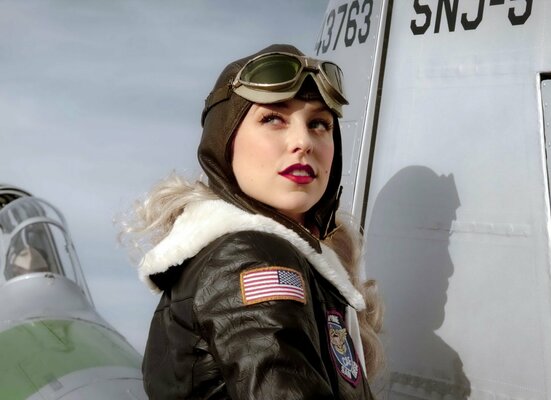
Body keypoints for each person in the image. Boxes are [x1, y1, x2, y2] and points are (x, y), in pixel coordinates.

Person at [123, 44, 384, 399]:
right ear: (225, 142)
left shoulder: (253, 253)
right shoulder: (252, 255)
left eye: (319, 124)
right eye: (273, 119)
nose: (303, 142)